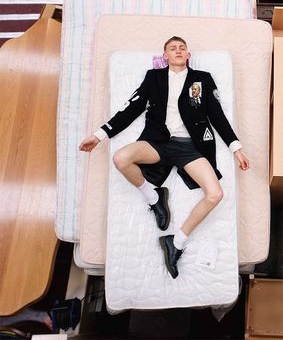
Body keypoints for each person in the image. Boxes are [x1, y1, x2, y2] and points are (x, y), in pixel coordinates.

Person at [80, 36, 249, 279]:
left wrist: (236, 148)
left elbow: (218, 116)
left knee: (215, 194)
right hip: (157, 143)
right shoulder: (154, 77)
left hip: (191, 147)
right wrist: (99, 135)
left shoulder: (202, 78)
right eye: (173, 48)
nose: (178, 51)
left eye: (182, 48)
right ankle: (154, 196)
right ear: (165, 56)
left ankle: (176, 242)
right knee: (120, 158)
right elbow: (131, 109)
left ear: (188, 55)